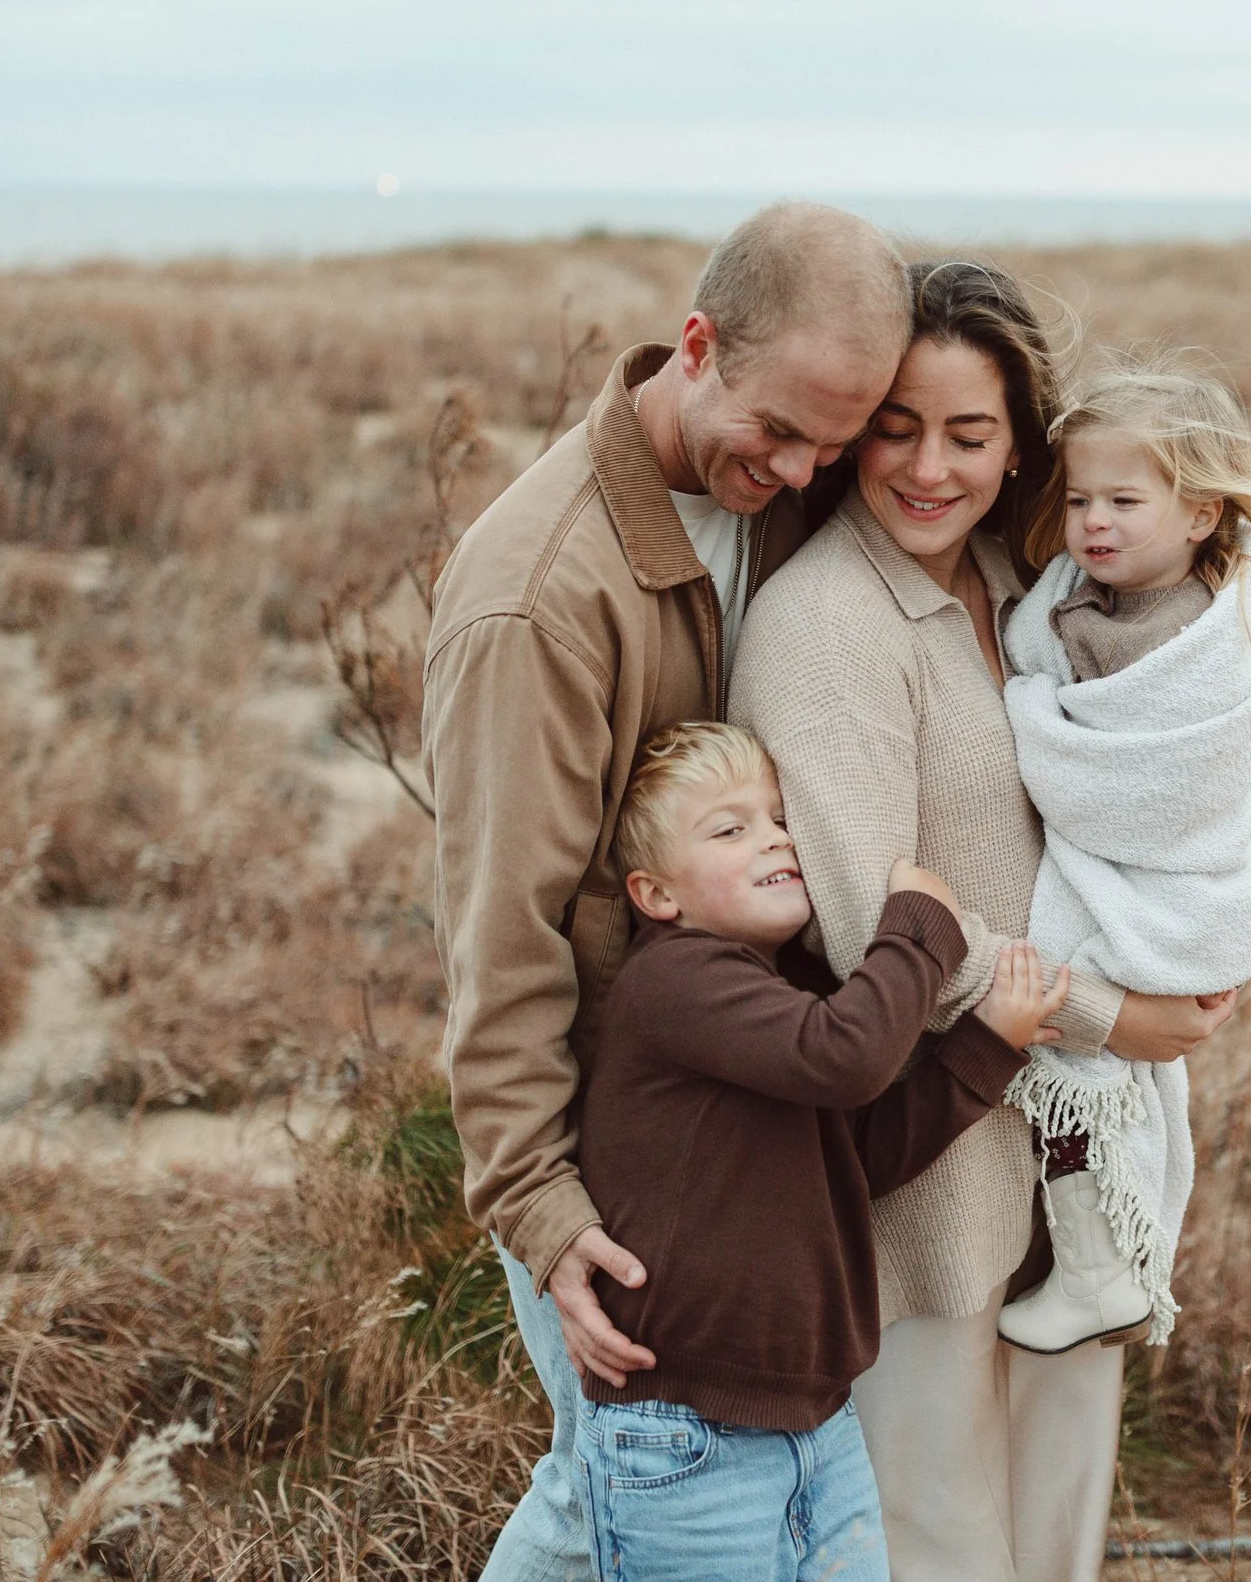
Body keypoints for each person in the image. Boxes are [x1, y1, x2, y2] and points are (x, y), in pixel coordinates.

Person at [417, 202, 911, 1582]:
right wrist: (542, 1205)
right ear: (696, 346)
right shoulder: (535, 599)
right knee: (611, 1482)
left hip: (749, 1103)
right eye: (780, 430)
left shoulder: (792, 494)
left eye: (834, 443)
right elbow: (500, 940)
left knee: (621, 1496)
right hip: (612, 1151)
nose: (803, 469)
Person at [729, 260, 1236, 1582]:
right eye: (896, 427)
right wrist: (1111, 1014)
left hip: (1071, 1161)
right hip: (932, 1176)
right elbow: (868, 923)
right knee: (938, 1545)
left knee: (1056, 1536)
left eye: (968, 432)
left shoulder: (1032, 591)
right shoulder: (823, 623)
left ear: (1019, 447)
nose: (927, 467)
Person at [571, 720, 1067, 1581]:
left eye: (778, 817)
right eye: (730, 828)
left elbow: (859, 1158)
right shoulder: (673, 979)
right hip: (684, 1437)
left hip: (818, 1426)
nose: (774, 838)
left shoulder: (781, 995)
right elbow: (848, 1056)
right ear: (656, 894)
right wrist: (920, 924)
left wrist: (987, 1045)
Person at [991, 353, 1251, 1357]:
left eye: (1125, 501)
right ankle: (1110, 1261)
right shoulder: (1098, 594)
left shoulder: (1174, 635)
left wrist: (1034, 706)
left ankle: (1100, 1269)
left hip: (1165, 878)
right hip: (1146, 873)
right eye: (1079, 499)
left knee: (1071, 1039)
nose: (1093, 523)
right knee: (1106, 1064)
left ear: (1201, 514)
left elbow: (1140, 774)